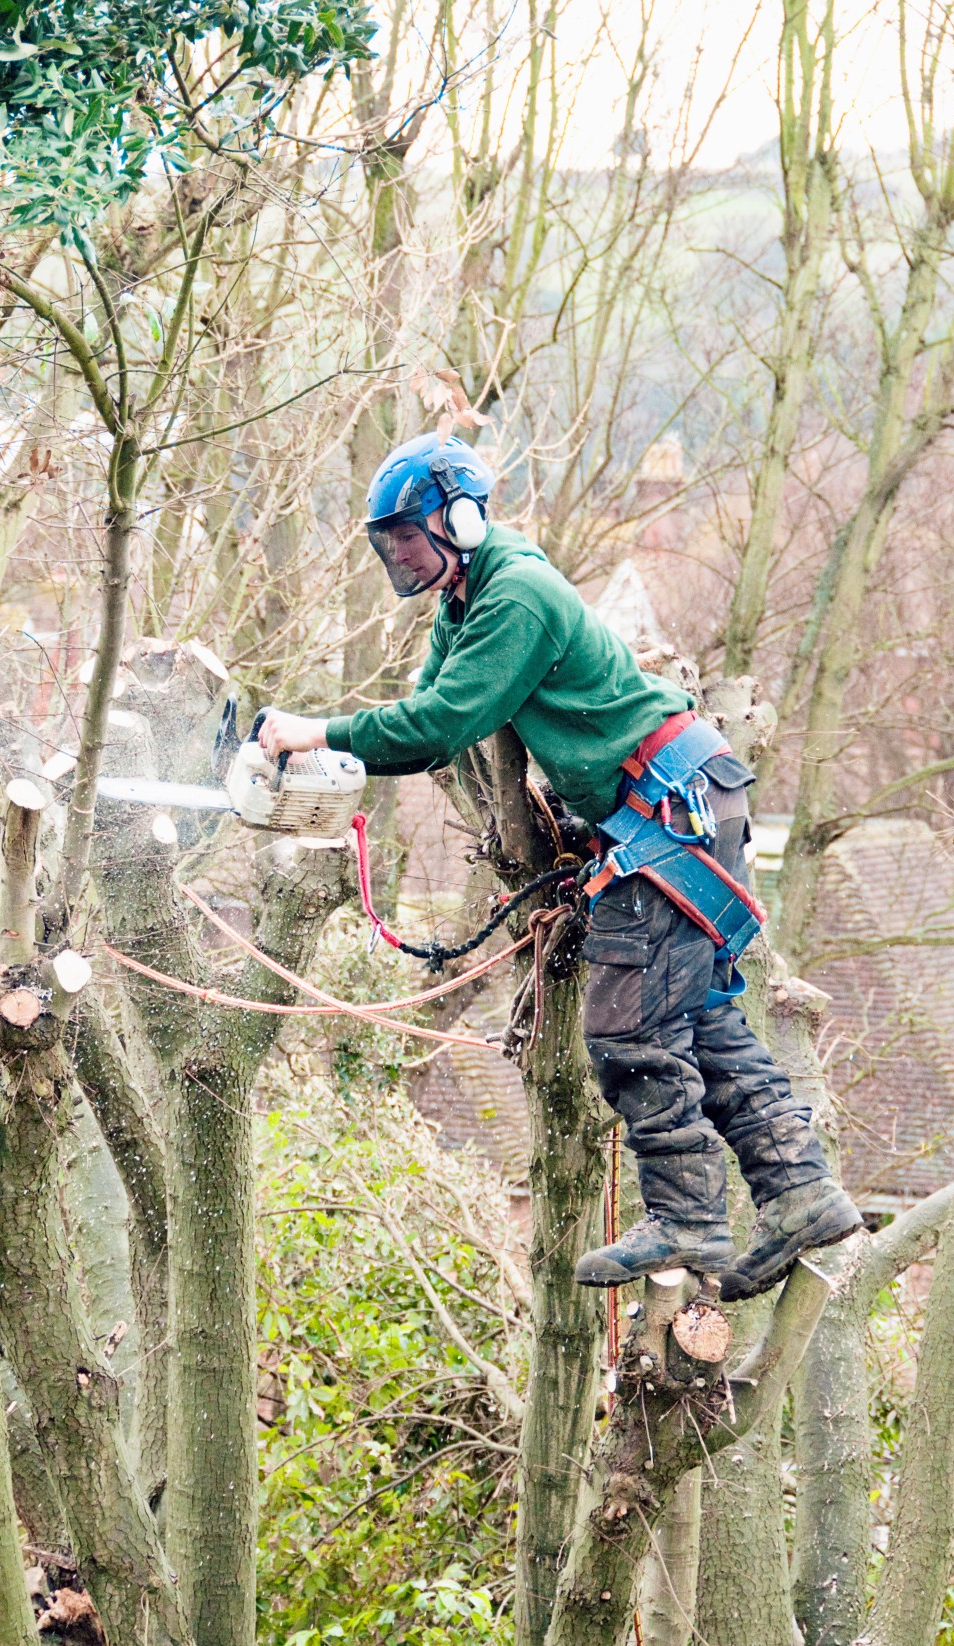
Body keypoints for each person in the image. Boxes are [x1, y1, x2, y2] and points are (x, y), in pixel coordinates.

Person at [259, 432, 862, 1298]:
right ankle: (800, 1190)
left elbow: (443, 722)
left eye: (409, 535)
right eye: (387, 541)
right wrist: (336, 763)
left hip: (672, 806)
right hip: (675, 805)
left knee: (627, 1026)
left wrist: (317, 729)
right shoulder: (466, 603)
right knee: (700, 1021)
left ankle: (688, 1218)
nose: (401, 556)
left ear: (460, 519)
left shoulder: (520, 594)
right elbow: (429, 715)